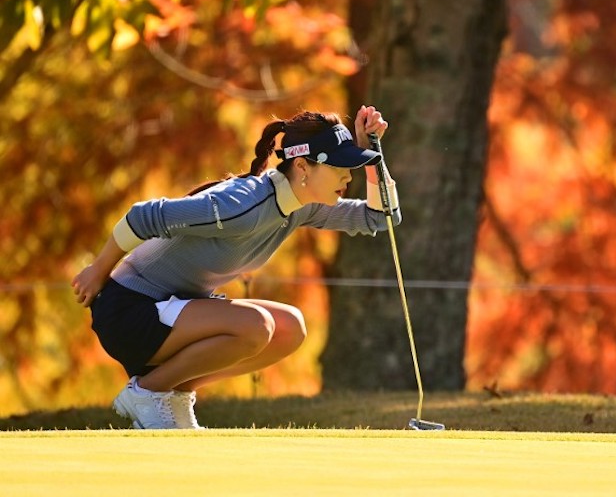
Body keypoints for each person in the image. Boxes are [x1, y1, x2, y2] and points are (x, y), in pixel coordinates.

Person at [71, 106, 399, 429]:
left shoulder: (300, 206)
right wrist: (98, 270)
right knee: (257, 326)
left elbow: (381, 217)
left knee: (290, 328)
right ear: (302, 167)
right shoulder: (243, 204)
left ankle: (175, 391)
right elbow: (143, 217)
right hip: (129, 313)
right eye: (340, 166)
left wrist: (372, 154)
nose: (348, 175)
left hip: (172, 314)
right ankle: (147, 392)